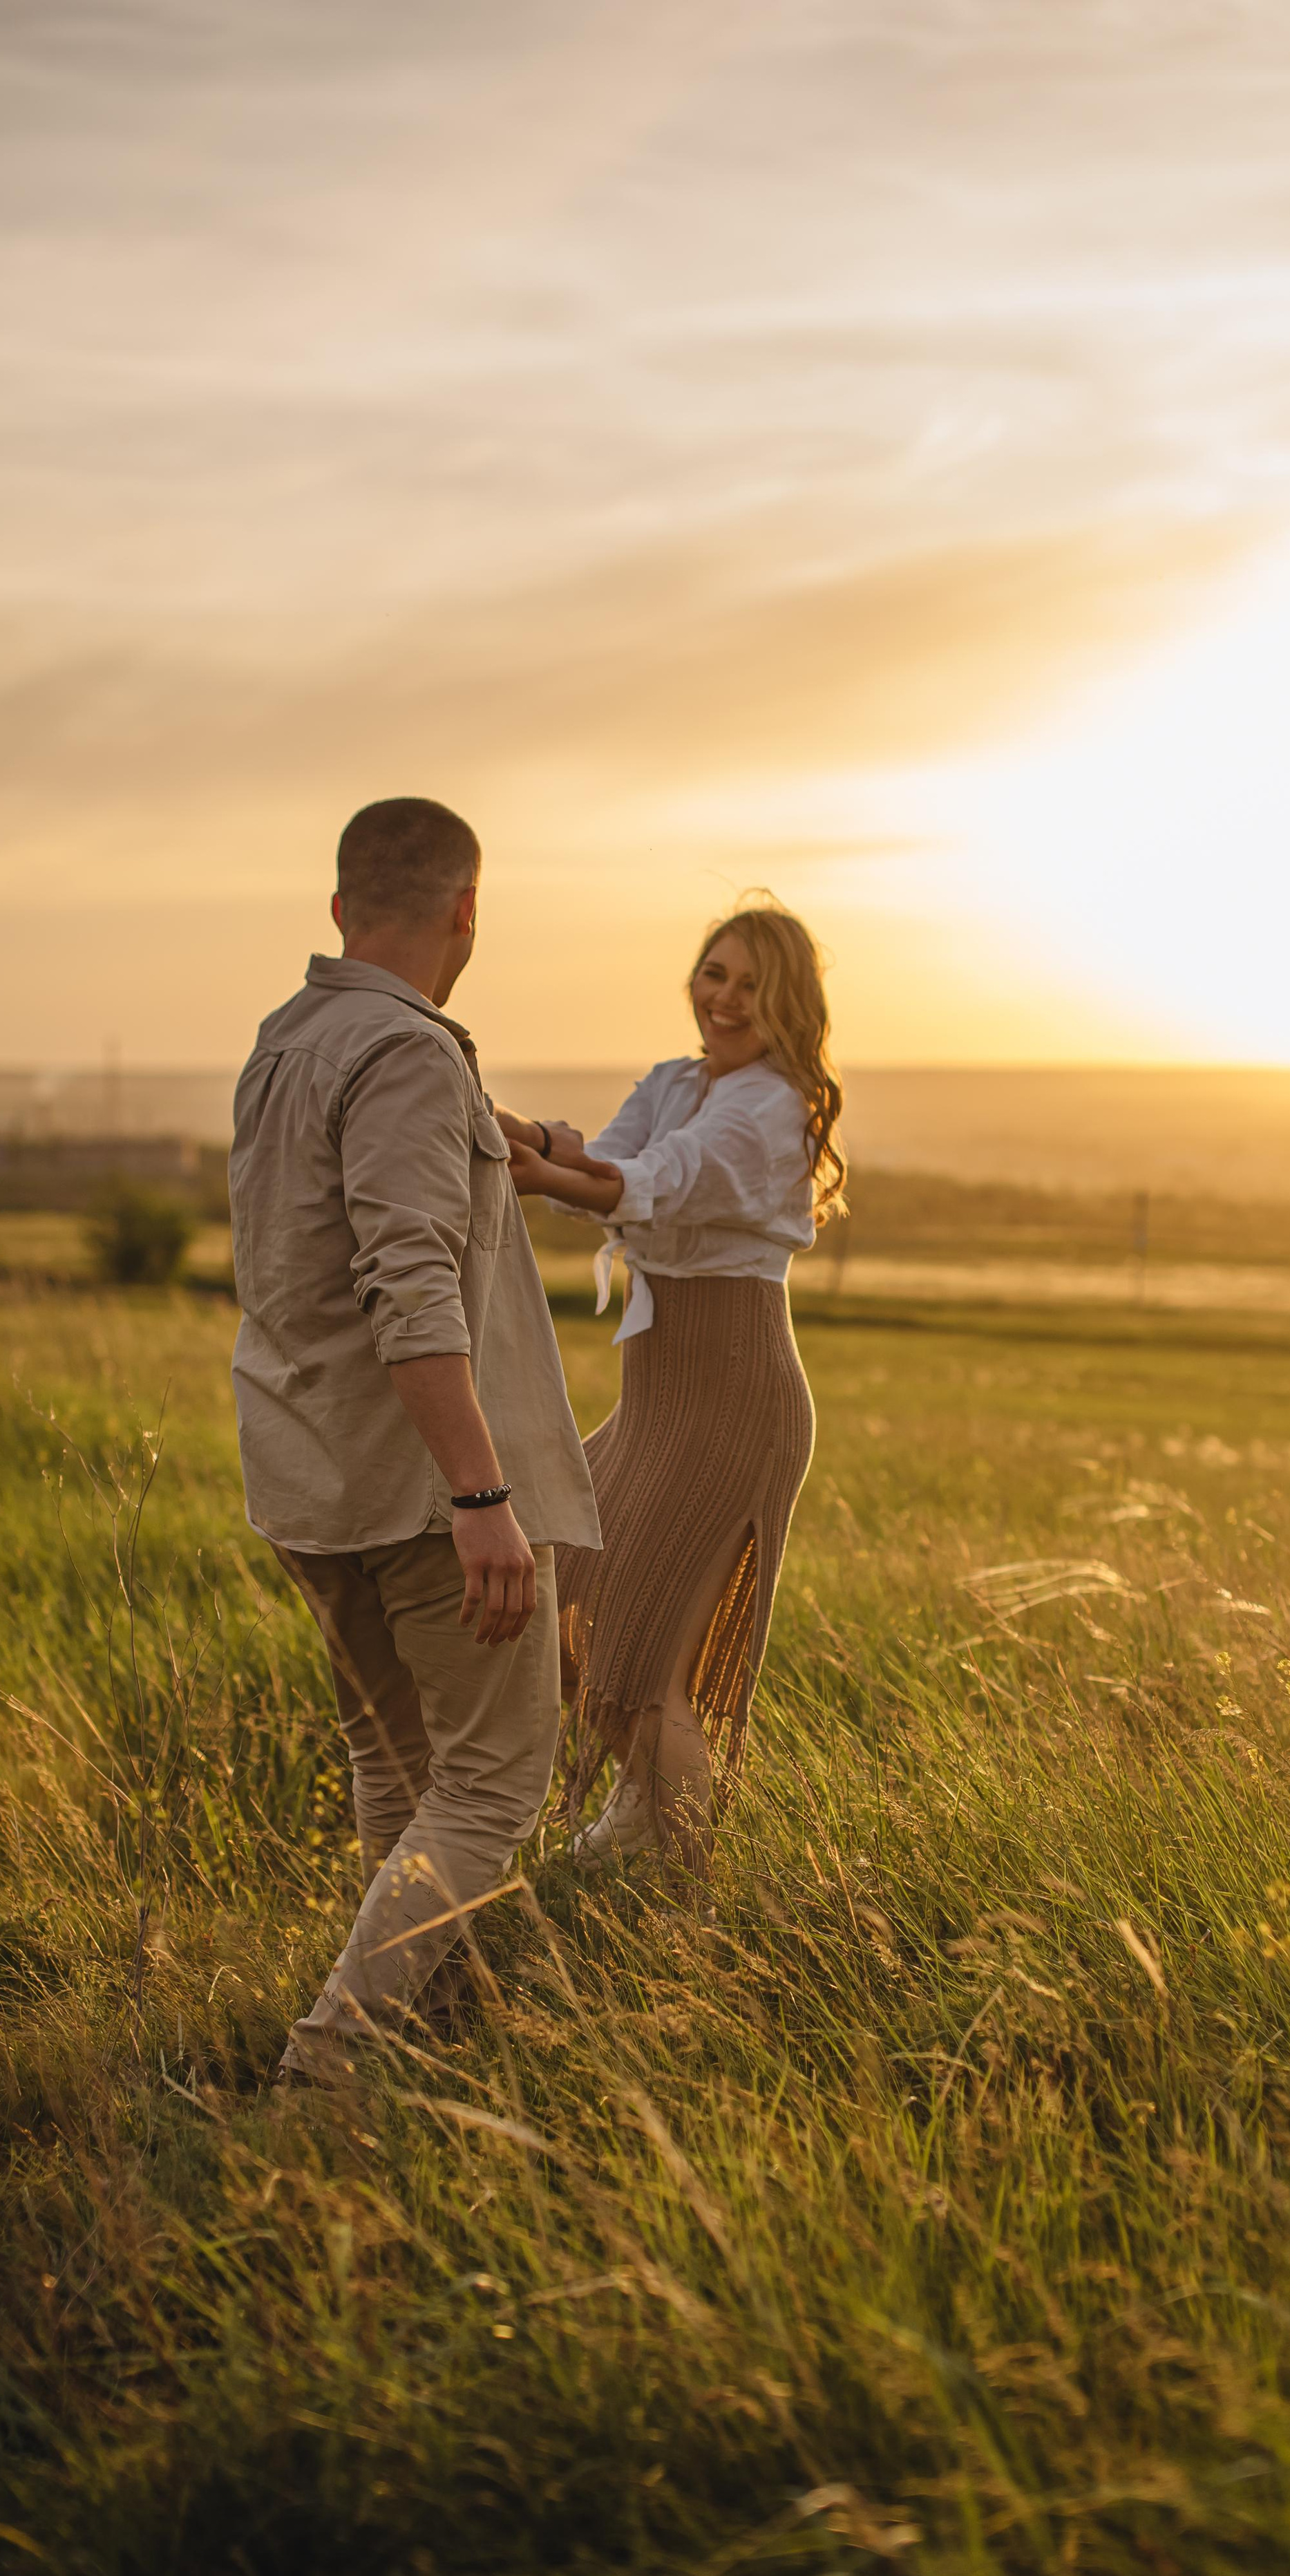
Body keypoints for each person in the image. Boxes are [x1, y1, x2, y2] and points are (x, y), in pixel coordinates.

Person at [227, 796, 601, 2085]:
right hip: (416, 1486)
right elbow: (408, 1285)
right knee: (494, 1783)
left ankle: (426, 2037)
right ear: (469, 910)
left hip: (304, 1469)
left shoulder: (286, 1044)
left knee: (399, 1774)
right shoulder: (407, 1055)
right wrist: (482, 1492)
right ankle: (330, 2071)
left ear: (339, 910)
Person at [506, 893, 846, 1872]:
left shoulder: (771, 1105)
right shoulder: (673, 1080)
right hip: (658, 1403)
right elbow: (608, 1159)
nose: (726, 999)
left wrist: (528, 1170)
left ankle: (690, 1914)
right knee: (556, 1586)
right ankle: (643, 1817)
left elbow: (651, 1182)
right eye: (714, 974)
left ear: (787, 1003)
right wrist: (510, 1130)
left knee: (649, 1667)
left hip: (735, 1404)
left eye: (751, 984)